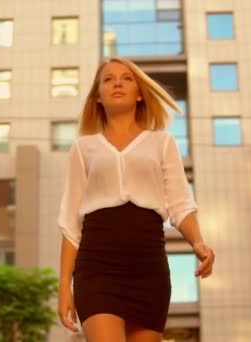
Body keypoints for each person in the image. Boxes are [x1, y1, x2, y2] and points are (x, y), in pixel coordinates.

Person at [57, 57, 215, 342]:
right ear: (97, 98)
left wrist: (199, 243)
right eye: (108, 79)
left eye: (127, 78)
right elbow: (70, 223)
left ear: (140, 93)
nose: (117, 82)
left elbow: (180, 204)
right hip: (97, 267)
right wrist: (63, 287)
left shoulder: (163, 142)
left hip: (148, 267)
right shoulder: (83, 148)